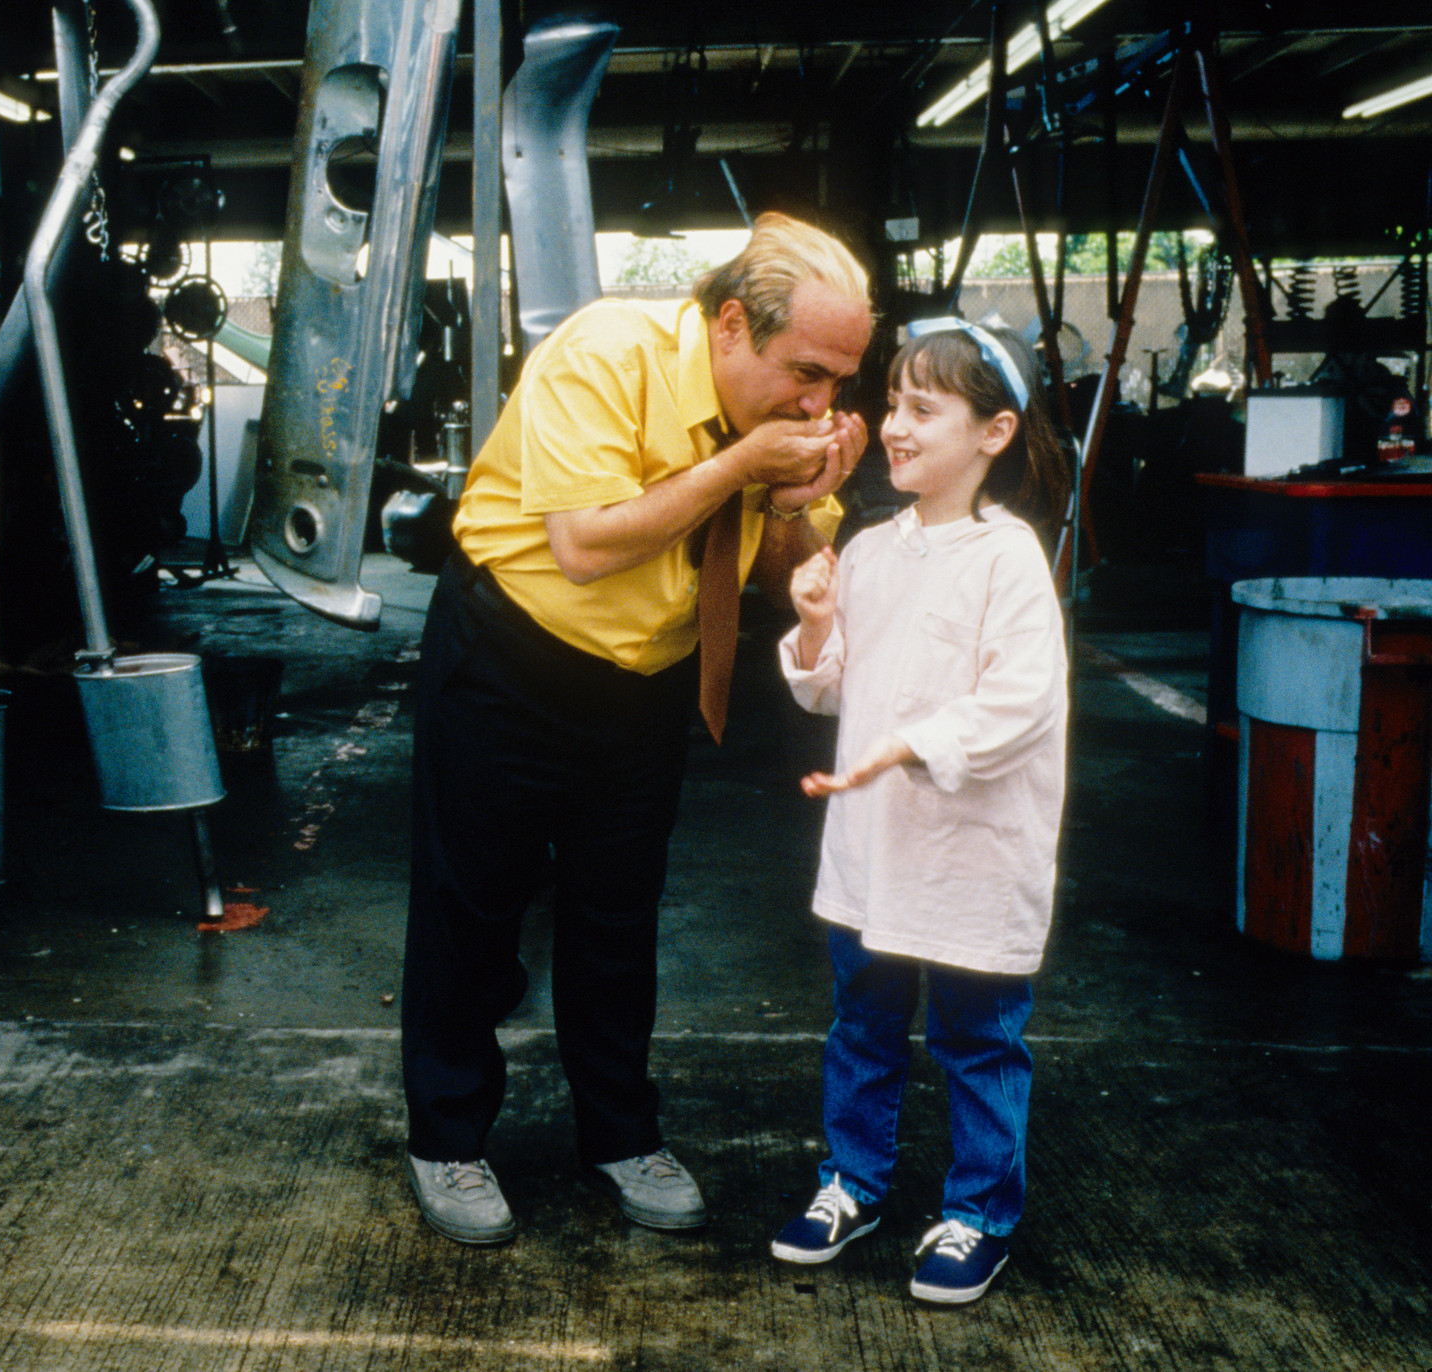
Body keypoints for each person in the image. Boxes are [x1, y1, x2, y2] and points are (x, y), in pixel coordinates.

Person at [400, 212, 875, 1245]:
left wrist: (800, 500)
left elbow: (764, 569)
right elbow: (582, 545)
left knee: (616, 916)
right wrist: (745, 462)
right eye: (804, 369)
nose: (819, 400)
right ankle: (445, 1136)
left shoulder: (784, 425)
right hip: (512, 655)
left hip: (647, 680)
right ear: (730, 326)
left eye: (839, 382)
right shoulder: (605, 353)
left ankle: (619, 1131)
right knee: (469, 907)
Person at [768, 318, 1070, 1304]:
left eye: (920, 410)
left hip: (970, 852)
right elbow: (825, 689)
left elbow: (1020, 703)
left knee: (977, 1038)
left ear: (991, 434)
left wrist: (913, 743)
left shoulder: (1007, 556)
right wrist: (814, 625)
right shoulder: (865, 550)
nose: (892, 426)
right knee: (860, 1023)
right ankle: (849, 1182)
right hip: (873, 850)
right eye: (892, 403)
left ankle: (977, 1211)